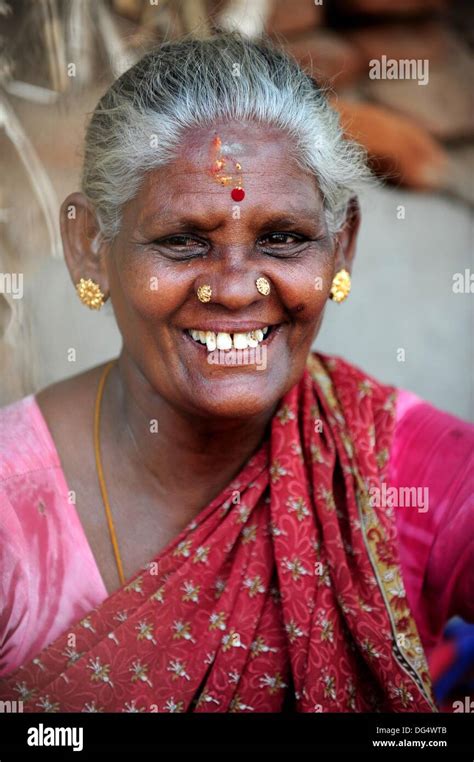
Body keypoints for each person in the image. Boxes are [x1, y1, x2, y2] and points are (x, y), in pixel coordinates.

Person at [0, 33, 472, 713]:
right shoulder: (17, 516)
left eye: (283, 238)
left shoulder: (394, 466)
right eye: (182, 240)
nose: (235, 288)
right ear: (89, 249)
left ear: (341, 246)